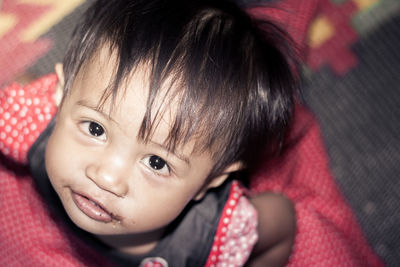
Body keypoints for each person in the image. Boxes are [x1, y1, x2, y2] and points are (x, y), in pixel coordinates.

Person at [0, 0, 383, 266]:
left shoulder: (215, 233)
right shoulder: (33, 124)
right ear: (59, 96)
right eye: (96, 128)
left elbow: (284, 224)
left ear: (208, 183)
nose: (107, 176)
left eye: (156, 162)